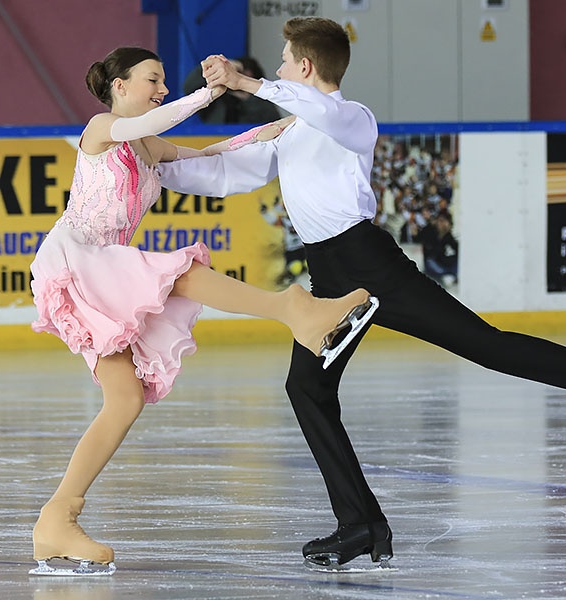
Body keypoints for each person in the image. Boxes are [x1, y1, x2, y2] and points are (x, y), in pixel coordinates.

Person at [157, 17, 566, 571]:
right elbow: (225, 175)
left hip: (371, 268)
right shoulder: (291, 130)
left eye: (286, 60)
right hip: (328, 277)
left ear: (306, 67)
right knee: (306, 388)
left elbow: (325, 112)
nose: (281, 67)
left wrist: (250, 83)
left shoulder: (352, 119)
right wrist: (153, 169)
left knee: (488, 346)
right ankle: (360, 526)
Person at [27, 46, 378, 577]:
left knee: (123, 402)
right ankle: (295, 309)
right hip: (79, 261)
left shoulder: (145, 142)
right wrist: (212, 91)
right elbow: (157, 118)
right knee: (178, 273)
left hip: (103, 267)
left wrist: (263, 134)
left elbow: (202, 155)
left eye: (164, 80)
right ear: (120, 86)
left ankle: (57, 520)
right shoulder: (103, 127)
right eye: (153, 79)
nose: (161, 88)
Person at [418, 210, 459, 285]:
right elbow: (430, 253)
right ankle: (447, 274)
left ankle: (449, 274)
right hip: (432, 262)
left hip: (443, 263)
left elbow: (457, 250)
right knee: (431, 262)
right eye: (440, 221)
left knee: (457, 261)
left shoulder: (448, 236)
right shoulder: (430, 232)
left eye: (444, 221)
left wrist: (445, 235)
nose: (441, 224)